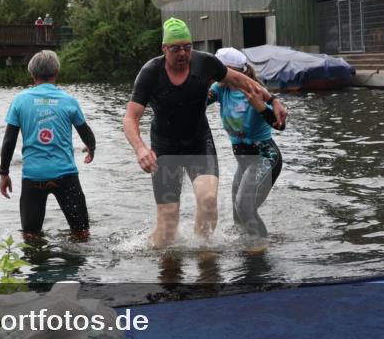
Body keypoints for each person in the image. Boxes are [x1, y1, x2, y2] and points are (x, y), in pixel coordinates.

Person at [123, 18, 288, 248]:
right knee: (168, 225)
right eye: (176, 48)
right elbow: (130, 118)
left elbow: (240, 79)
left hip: (199, 143)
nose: (183, 53)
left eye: (187, 47)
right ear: (164, 48)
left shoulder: (205, 63)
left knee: (209, 201)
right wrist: (140, 148)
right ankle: (166, 269)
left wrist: (272, 100)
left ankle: (206, 259)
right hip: (165, 148)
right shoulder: (150, 72)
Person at [0, 50, 95, 238]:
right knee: (82, 232)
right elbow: (86, 132)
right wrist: (91, 149)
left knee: (31, 235)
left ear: (32, 74)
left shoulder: (20, 101)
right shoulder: (68, 100)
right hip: (65, 175)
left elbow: (9, 140)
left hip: (33, 176)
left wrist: (4, 173)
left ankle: (37, 262)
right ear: (57, 72)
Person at [207, 48, 284, 238]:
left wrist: (260, 107)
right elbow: (197, 103)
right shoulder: (220, 88)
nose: (216, 73)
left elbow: (279, 125)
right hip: (244, 162)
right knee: (238, 214)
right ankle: (246, 249)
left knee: (244, 208)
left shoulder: (254, 90)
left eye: (220, 68)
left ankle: (261, 248)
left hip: (265, 158)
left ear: (235, 70)